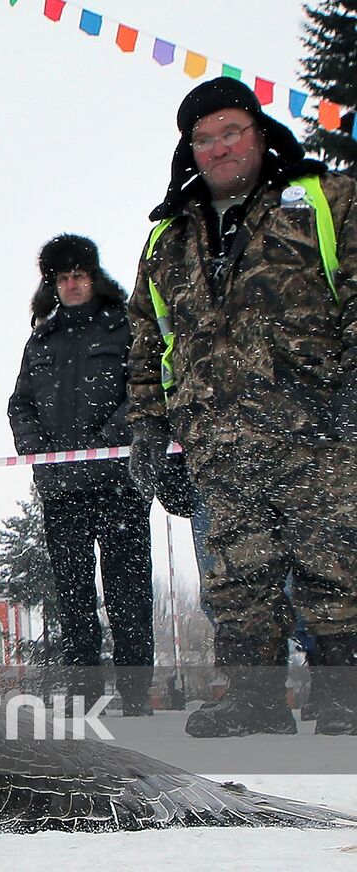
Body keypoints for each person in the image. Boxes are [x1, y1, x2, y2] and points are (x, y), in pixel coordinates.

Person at [125, 76, 357, 737]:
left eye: (232, 132)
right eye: (205, 138)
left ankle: (344, 692)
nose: (221, 148)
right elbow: (150, 339)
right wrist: (149, 430)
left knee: (336, 562)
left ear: (258, 133)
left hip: (321, 431)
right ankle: (254, 699)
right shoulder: (167, 239)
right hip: (219, 441)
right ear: (189, 151)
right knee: (235, 573)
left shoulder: (322, 201)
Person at [8, 235, 155, 714]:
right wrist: (38, 451)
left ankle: (134, 694)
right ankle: (83, 691)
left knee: (127, 590)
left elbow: (145, 392)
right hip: (61, 489)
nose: (72, 284)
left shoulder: (124, 328)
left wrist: (106, 441)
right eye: (63, 277)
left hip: (120, 483)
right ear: (54, 284)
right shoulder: (41, 338)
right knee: (72, 595)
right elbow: (20, 403)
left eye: (80, 275)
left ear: (95, 277)